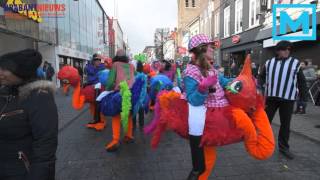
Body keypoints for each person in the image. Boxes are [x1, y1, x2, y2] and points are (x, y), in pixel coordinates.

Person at [0, 49, 58, 180]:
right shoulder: (3, 92)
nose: (0, 73)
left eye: (4, 69)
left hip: (21, 172)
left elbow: (45, 147)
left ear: (20, 72)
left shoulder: (39, 97)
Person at [183, 34, 228, 179]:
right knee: (201, 166)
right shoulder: (191, 72)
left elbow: (223, 81)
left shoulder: (211, 68)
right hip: (203, 119)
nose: (213, 49)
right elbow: (193, 101)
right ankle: (197, 171)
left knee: (209, 158)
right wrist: (202, 88)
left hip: (216, 116)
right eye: (211, 46)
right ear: (202, 49)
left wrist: (239, 81)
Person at [258, 40, 307, 159]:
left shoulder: (295, 63)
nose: (287, 51)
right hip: (271, 98)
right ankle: (262, 143)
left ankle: (283, 147)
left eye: (289, 49)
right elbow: (261, 77)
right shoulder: (269, 63)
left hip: (287, 99)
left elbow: (302, 82)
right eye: (285, 49)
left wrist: (303, 99)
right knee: (265, 122)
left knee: (285, 124)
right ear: (278, 51)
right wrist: (259, 87)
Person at [105, 49, 135, 152]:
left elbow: (109, 81)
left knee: (116, 116)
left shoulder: (115, 64)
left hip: (120, 94)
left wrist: (107, 88)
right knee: (129, 115)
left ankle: (115, 140)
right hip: (132, 93)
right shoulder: (131, 66)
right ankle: (129, 135)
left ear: (116, 57)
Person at [132, 61, 146, 131]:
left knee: (135, 109)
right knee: (139, 109)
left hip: (137, 95)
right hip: (140, 95)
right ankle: (141, 125)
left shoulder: (135, 75)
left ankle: (134, 124)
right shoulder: (143, 75)